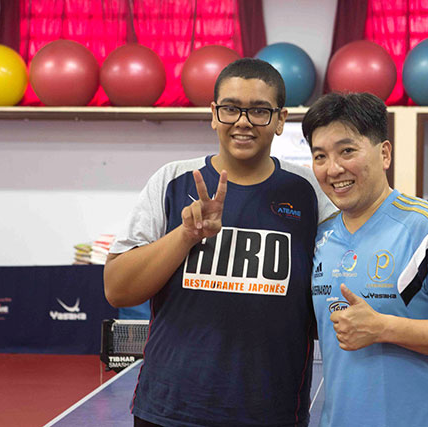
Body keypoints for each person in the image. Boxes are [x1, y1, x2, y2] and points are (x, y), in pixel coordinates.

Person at [104, 58, 335, 427]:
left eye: (259, 110)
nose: (243, 121)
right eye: (231, 108)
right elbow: (117, 289)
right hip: (170, 410)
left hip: (270, 412)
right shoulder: (173, 180)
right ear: (214, 114)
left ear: (280, 120)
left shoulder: (309, 192)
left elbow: (333, 293)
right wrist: (185, 235)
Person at [301, 92, 428, 427]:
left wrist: (383, 327)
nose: (333, 169)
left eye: (347, 151)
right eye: (320, 156)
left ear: (384, 153)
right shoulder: (320, 237)